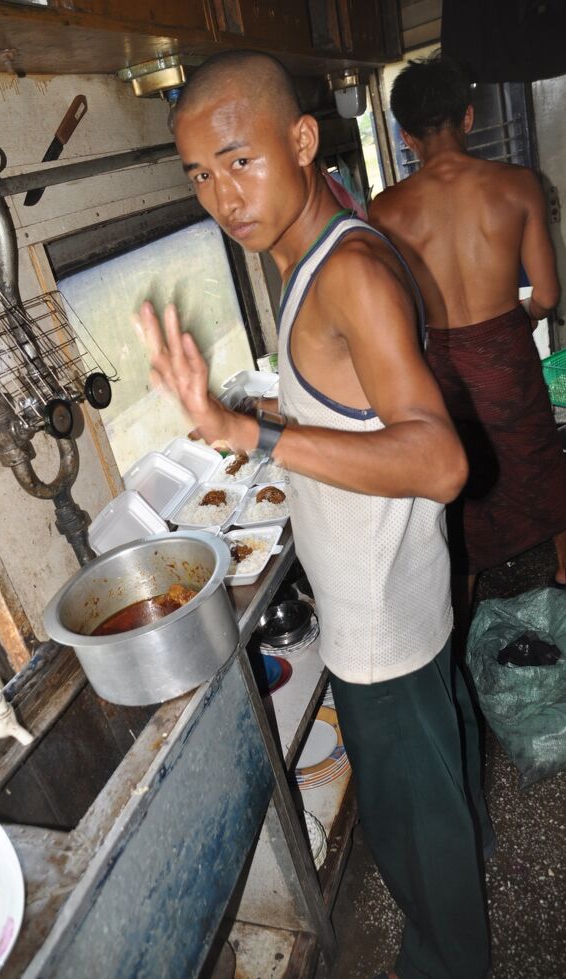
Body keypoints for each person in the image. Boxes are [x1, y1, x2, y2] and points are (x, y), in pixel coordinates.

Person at [137, 50, 492, 979]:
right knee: (440, 786)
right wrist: (261, 422)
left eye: (240, 161)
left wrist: (248, 435)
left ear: (300, 141)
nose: (224, 196)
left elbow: (442, 461)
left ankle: (449, 961)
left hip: (381, 630)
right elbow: (358, 410)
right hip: (401, 595)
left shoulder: (351, 272)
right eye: (202, 176)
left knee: (415, 836)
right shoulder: (313, 244)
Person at [369, 54, 566, 629]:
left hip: (439, 363)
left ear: (406, 137)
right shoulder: (518, 185)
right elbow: (549, 297)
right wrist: (520, 313)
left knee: (460, 467)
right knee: (535, 454)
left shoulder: (383, 212)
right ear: (470, 117)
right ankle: (561, 560)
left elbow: (392, 313)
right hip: (505, 349)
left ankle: (464, 588)